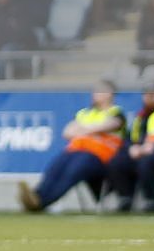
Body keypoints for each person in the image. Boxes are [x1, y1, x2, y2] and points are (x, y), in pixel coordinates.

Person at [18, 83, 127, 211]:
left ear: (110, 94)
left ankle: (42, 202)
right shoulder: (84, 113)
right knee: (55, 168)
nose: (95, 95)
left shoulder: (116, 112)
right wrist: (92, 130)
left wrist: (83, 129)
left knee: (72, 172)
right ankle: (35, 195)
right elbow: (67, 132)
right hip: (75, 151)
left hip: (98, 156)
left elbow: (110, 125)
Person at [108, 87, 154, 213]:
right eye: (147, 94)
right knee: (117, 162)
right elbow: (129, 138)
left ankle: (150, 201)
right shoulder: (140, 116)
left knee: (146, 163)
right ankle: (125, 199)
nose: (149, 96)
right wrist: (132, 148)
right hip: (143, 153)